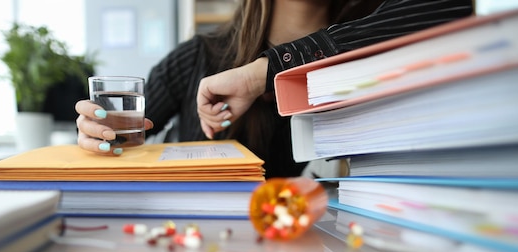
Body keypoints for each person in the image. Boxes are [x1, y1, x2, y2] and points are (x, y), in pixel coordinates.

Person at [76, 0, 474, 179]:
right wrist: (98, 136)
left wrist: (262, 73)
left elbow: (452, 7)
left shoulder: (372, 41)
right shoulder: (196, 58)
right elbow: (123, 144)